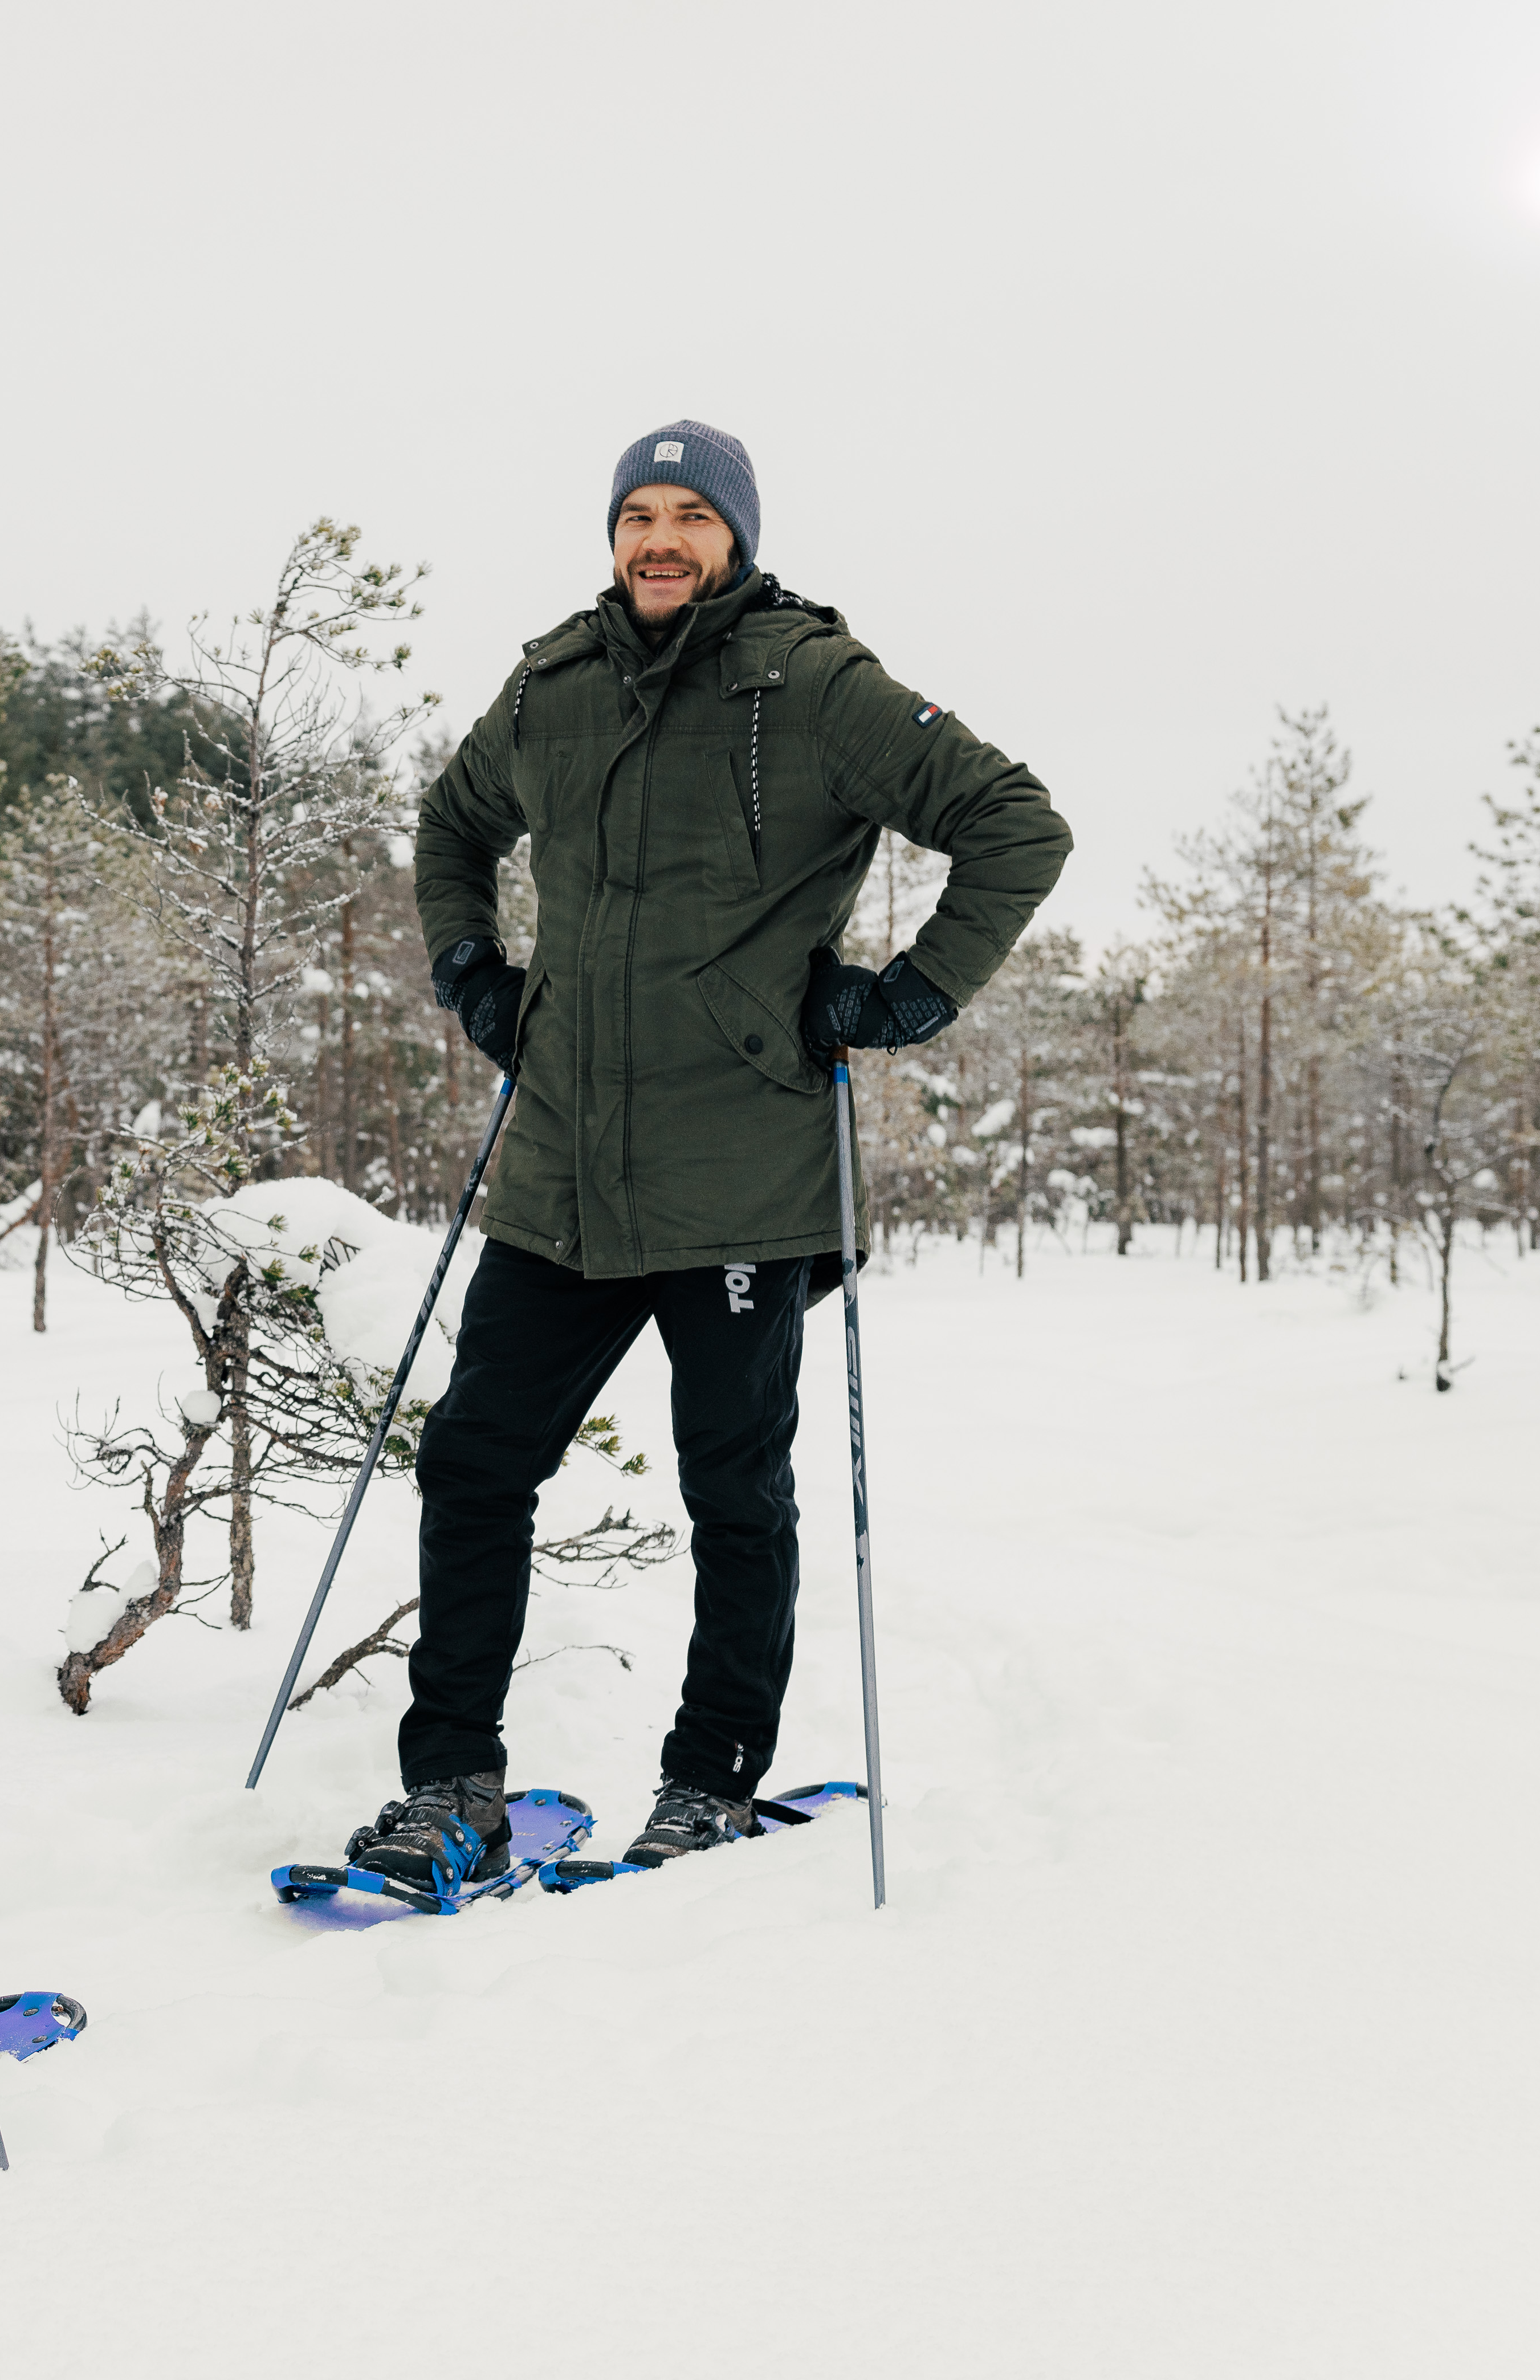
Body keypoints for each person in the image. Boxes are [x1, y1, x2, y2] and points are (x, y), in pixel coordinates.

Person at [344, 421, 1069, 1887]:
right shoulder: (552, 685)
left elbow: (1013, 823)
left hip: (742, 1169)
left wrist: (908, 993)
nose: (660, 540)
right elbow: (451, 821)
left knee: (735, 1492)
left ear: (736, 535)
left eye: (691, 516)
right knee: (475, 1465)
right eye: (638, 516)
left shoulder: (813, 685)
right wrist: (473, 972)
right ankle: (452, 1788)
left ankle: (711, 1778)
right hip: (557, 1169)